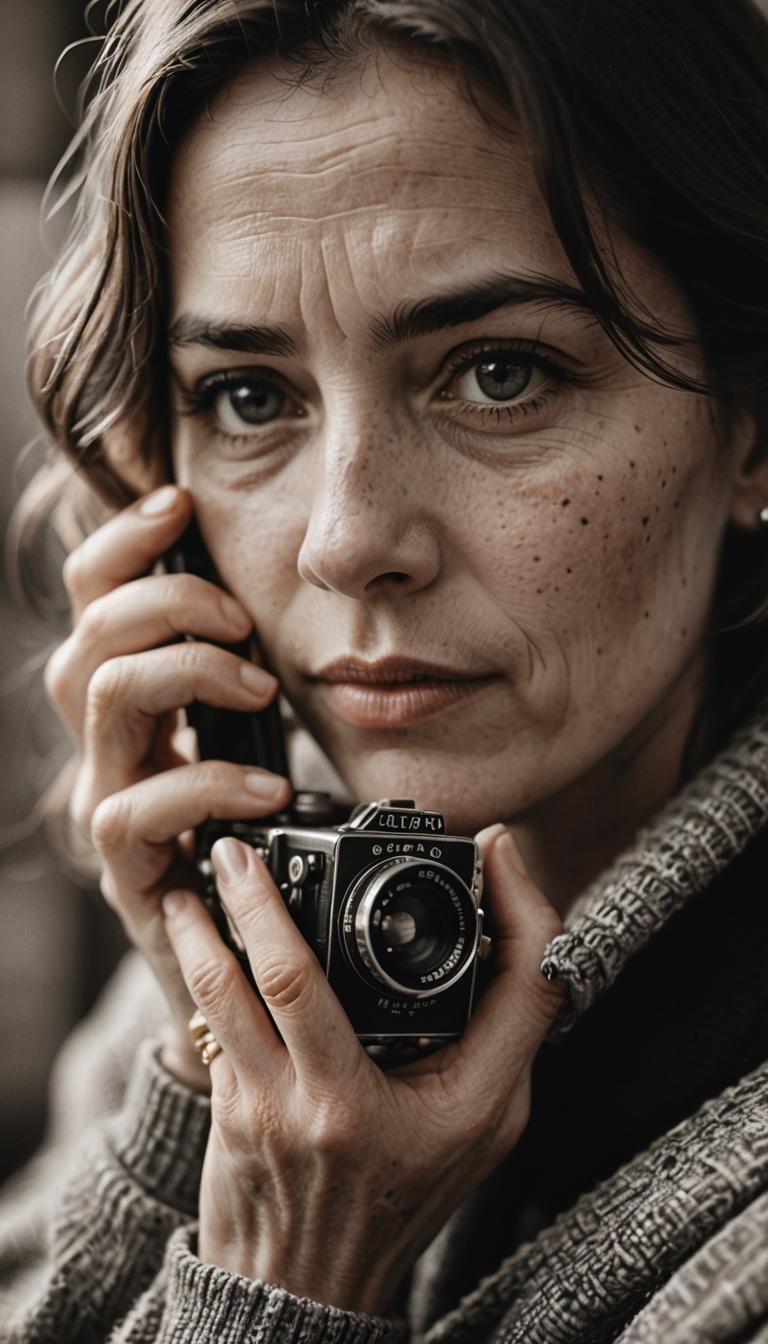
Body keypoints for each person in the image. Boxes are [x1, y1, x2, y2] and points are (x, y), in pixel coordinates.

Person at [3, 0, 768, 1339]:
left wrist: (282, 1277)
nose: (349, 539)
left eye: (499, 373)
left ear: (750, 428)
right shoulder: (267, 900)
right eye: (249, 397)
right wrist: (203, 1079)